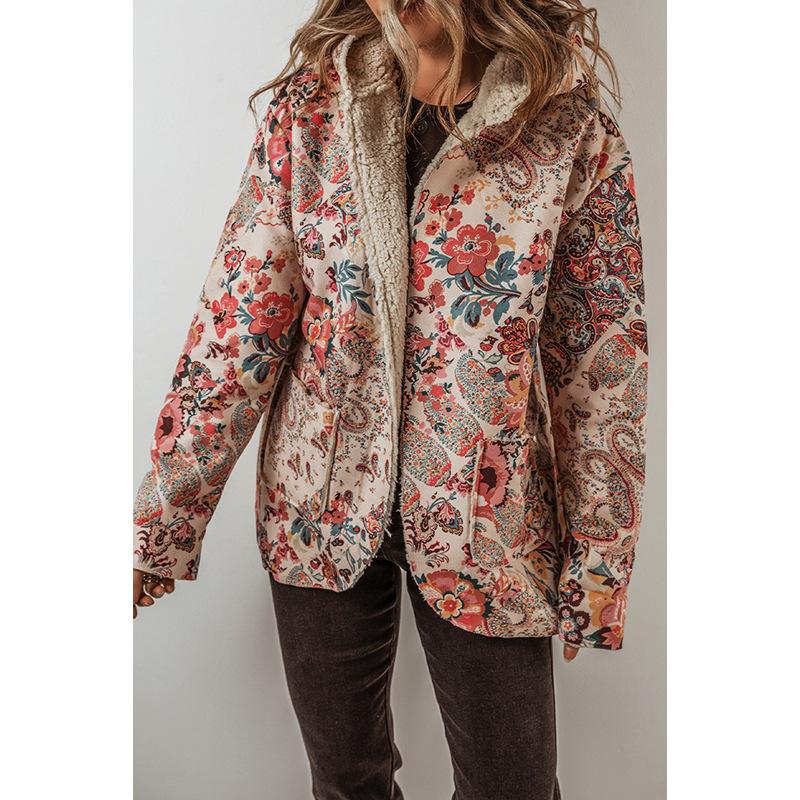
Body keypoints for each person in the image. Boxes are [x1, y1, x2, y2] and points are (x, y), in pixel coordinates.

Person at [133, 1, 648, 797]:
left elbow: (601, 367)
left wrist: (600, 561)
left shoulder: (567, 130)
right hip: (318, 503)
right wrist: (164, 521)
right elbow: (237, 328)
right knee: (347, 782)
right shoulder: (313, 111)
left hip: (488, 522)